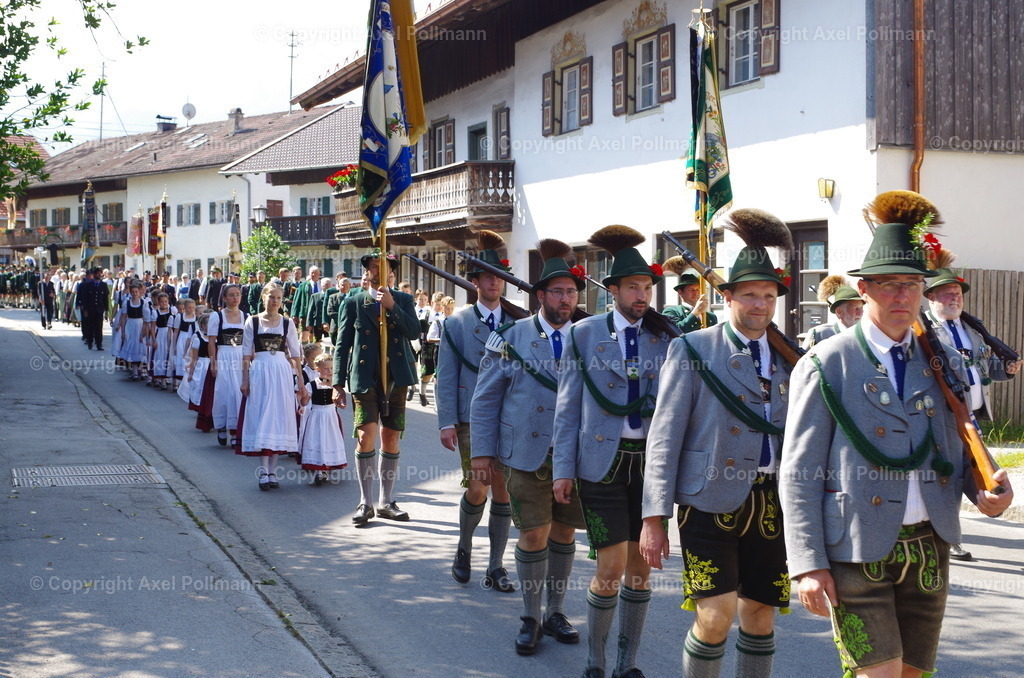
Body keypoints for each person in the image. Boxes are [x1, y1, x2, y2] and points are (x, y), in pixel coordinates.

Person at [780, 190, 1015, 678]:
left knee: (913, 675)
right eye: (889, 285)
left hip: (929, 546)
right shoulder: (827, 363)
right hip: (854, 547)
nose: (902, 296)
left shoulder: (941, 360)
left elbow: (954, 443)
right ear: (863, 290)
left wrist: (984, 488)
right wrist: (806, 563)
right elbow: (799, 472)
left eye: (911, 285)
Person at [640, 209, 796, 678]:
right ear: (727, 296)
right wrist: (653, 518)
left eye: (768, 296)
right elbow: (664, 436)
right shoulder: (692, 349)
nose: (760, 305)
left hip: (771, 500)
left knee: (761, 615)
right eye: (749, 294)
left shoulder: (793, 359)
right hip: (707, 499)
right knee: (714, 618)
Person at [552, 225, 674, 678]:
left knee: (642, 568)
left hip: (650, 466)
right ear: (614, 291)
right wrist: (563, 469)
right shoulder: (583, 335)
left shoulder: (666, 336)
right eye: (634, 288)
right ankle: (596, 657)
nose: (642, 296)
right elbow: (567, 409)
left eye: (647, 287)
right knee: (611, 564)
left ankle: (628, 663)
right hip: (600, 465)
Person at [471, 240, 588, 656]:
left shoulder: (588, 337)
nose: (565, 299)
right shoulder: (511, 337)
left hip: (573, 456)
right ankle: (530, 615)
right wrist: (481, 453)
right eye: (557, 291)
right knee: (533, 533)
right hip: (525, 454)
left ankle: (556, 610)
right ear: (540, 296)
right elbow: (484, 399)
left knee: (564, 532)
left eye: (572, 291)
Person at [922, 248, 1021, 561]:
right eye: (947, 295)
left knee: (976, 475)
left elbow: (981, 369)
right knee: (951, 476)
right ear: (931, 298)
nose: (954, 299)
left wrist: (1005, 369)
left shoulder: (972, 333)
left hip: (972, 419)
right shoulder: (924, 332)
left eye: (957, 294)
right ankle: (948, 538)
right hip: (943, 419)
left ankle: (950, 532)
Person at [436, 230, 517, 594]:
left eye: (500, 276)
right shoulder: (457, 323)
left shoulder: (519, 321)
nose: (495, 282)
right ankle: (464, 548)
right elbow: (446, 376)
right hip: (471, 418)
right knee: (478, 488)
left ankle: (496, 565)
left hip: (511, 417)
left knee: (504, 492)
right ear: (475, 282)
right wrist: (445, 422)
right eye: (487, 276)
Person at [332, 250, 419, 524]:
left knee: (391, 437)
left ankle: (386, 500)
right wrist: (337, 383)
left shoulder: (403, 299)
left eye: (385, 267)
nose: (380, 271)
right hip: (364, 377)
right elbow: (342, 344)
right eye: (374, 266)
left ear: (392, 272)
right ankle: (365, 502)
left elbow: (415, 332)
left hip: (396, 377)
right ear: (366, 271)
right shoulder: (353, 301)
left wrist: (393, 306)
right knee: (365, 436)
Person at [237, 282, 308, 490]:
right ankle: (263, 472)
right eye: (271, 297)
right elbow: (245, 352)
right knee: (262, 417)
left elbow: (296, 354)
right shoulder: (253, 321)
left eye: (278, 298)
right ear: (264, 298)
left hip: (281, 373)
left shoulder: (287, 323)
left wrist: (301, 383)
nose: (275, 301)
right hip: (260, 371)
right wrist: (245, 379)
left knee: (278, 417)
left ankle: (273, 472)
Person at [298, 353, 349, 486]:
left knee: (329, 440)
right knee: (317, 440)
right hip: (316, 416)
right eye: (326, 368)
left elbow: (340, 402)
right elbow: (304, 402)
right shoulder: (312, 385)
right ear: (317, 369)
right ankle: (318, 471)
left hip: (331, 416)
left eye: (331, 368)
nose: (329, 371)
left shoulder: (335, 386)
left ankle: (327, 467)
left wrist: (341, 403)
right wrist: (302, 396)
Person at [208, 284, 248, 447]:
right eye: (231, 295)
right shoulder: (217, 317)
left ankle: (235, 430)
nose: (235, 298)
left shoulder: (246, 316)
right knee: (223, 392)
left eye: (237, 294)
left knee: (237, 393)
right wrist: (213, 363)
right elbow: (211, 342)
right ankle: (222, 426)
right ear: (224, 298)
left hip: (240, 356)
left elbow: (249, 341)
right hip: (224, 355)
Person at [802, 274, 864, 348]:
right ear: (839, 312)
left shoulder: (867, 333)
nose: (860, 313)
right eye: (855, 309)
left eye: (861, 308)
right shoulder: (819, 334)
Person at [661, 256, 718, 334]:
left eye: (698, 289)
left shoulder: (711, 317)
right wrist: (696, 312)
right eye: (691, 290)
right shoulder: (671, 312)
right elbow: (676, 332)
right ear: (680, 292)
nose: (696, 293)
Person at [117, 282, 152, 381]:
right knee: (132, 347)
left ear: (140, 292)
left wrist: (144, 330)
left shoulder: (144, 302)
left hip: (140, 325)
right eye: (132, 292)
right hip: (130, 326)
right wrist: (123, 331)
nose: (134, 293)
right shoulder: (127, 303)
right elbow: (123, 317)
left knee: (141, 347)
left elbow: (146, 318)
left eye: (136, 292)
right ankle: (135, 371)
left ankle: (142, 370)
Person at [417, 291, 446, 406]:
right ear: (432, 302)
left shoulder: (445, 315)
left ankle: (437, 400)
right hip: (427, 346)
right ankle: (422, 393)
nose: (439, 307)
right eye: (437, 304)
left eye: (441, 304)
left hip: (441, 347)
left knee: (439, 373)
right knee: (427, 372)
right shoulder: (426, 314)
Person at [149, 292, 178, 390]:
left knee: (169, 356)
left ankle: (168, 378)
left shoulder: (173, 310)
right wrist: (154, 340)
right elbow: (152, 328)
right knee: (160, 356)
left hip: (170, 334)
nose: (164, 304)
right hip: (160, 335)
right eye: (161, 302)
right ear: (158, 302)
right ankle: (162, 380)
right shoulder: (155, 312)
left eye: (165, 302)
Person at [292, 265, 320, 341]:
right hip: (305, 314)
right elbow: (297, 300)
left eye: (315, 273)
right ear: (309, 274)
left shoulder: (321, 285)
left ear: (319, 274)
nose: (313, 275)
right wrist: (295, 314)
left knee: (316, 337)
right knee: (304, 336)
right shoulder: (303, 286)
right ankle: (302, 351)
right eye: (312, 273)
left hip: (317, 315)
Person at [305, 276, 333, 343]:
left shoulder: (333, 296)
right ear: (321, 286)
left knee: (329, 341)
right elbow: (310, 310)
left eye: (329, 285)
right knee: (317, 341)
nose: (327, 286)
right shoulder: (315, 296)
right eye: (325, 285)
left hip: (329, 323)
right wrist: (309, 323)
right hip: (317, 323)